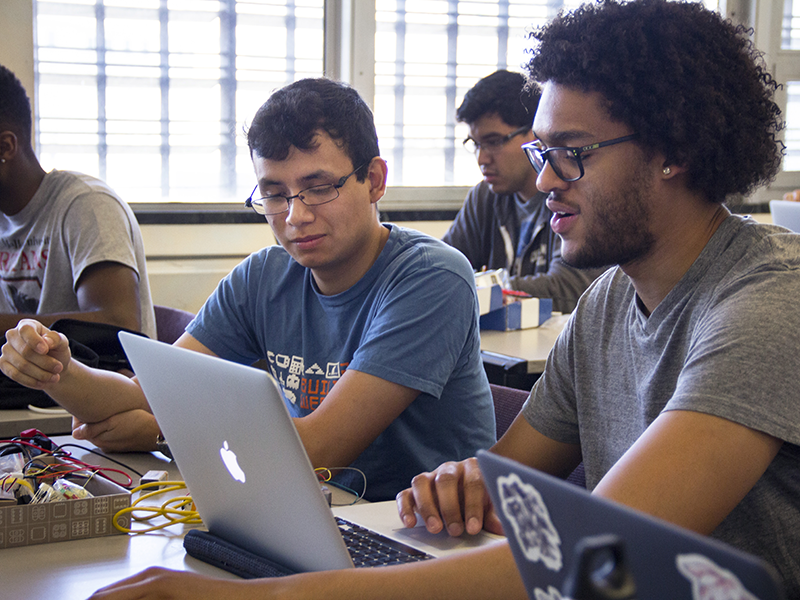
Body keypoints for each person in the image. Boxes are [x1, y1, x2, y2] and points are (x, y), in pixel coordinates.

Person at [76, 1, 800, 599]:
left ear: (673, 149)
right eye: (542, 154)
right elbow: (504, 478)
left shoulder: (766, 304)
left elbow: (607, 554)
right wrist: (462, 481)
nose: (544, 181)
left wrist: (256, 597)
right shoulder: (611, 301)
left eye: (571, 152)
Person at [0, 77, 496, 503]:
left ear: (374, 180)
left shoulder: (431, 277)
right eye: (274, 194)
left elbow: (318, 450)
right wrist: (56, 369)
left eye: (319, 187)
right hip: (313, 509)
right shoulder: (264, 276)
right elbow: (141, 395)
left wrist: (161, 430)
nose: (295, 216)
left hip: (414, 529)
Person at [0, 64, 156, 339]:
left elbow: (117, 324)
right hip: (26, 379)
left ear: (6, 147)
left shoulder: (88, 206)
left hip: (95, 378)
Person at [443, 69, 603, 313]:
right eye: (475, 144)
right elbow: (442, 269)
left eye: (494, 141)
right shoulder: (484, 197)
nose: (481, 158)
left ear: (536, 133)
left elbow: (570, 288)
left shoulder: (569, 193)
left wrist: (482, 287)